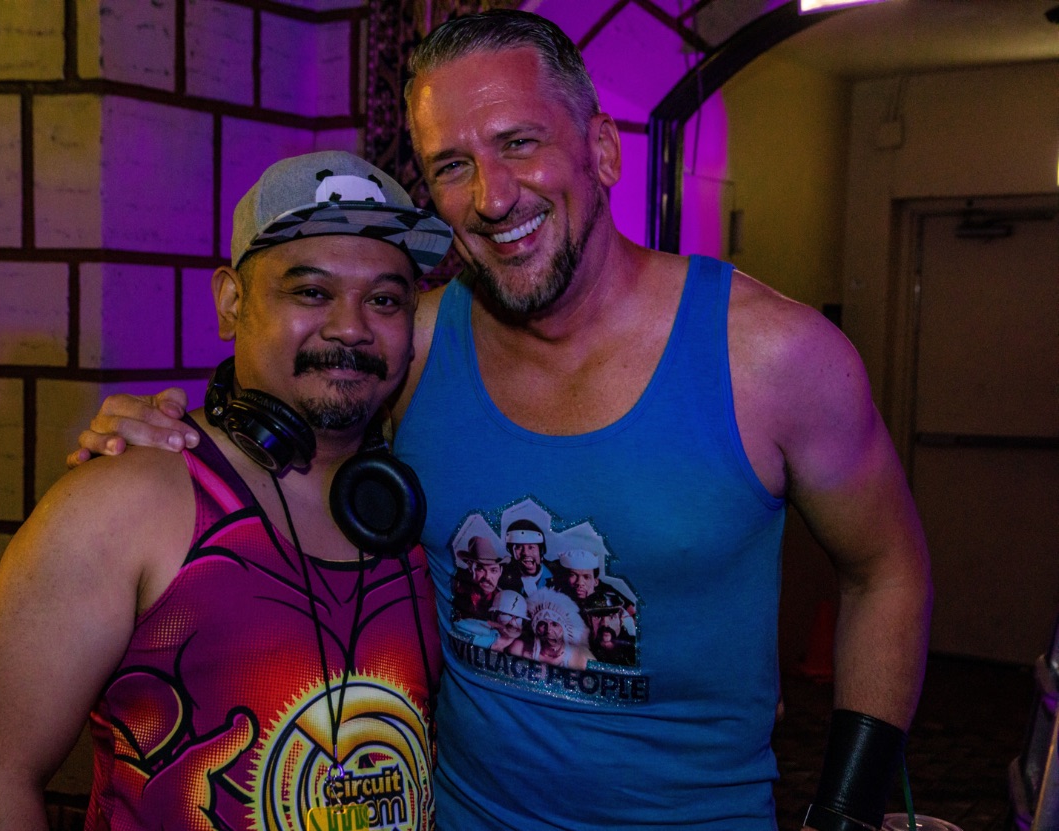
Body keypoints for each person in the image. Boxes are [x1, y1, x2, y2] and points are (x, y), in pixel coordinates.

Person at [70, 10, 932, 831]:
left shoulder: (776, 358)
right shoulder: (412, 344)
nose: (492, 195)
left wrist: (847, 809)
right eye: (452, 165)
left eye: (519, 143)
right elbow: (281, 404)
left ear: (601, 149)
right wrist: (154, 432)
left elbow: (886, 570)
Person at [0, 151, 453, 830]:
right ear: (231, 302)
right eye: (311, 292)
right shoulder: (124, 502)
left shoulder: (419, 500)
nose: (352, 327)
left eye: (385, 299)